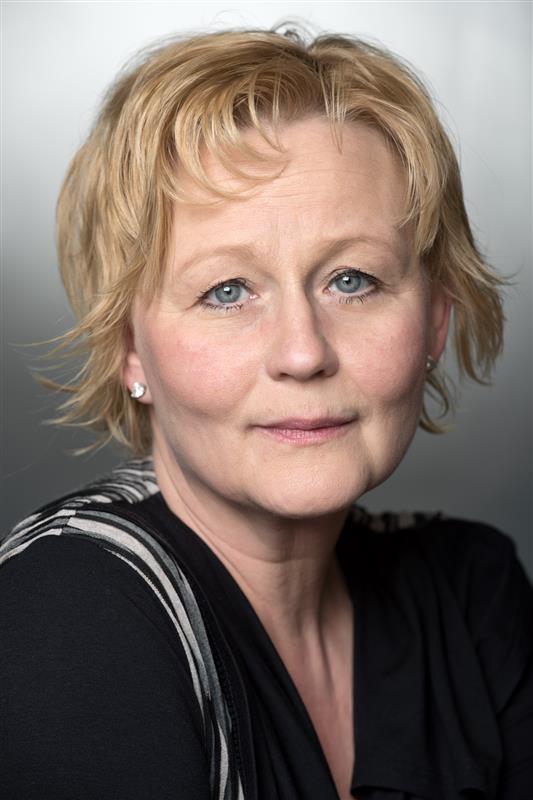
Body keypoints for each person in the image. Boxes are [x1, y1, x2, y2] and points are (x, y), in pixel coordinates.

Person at [1, 23, 531, 800]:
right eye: (227, 291)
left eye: (351, 280)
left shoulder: (469, 596)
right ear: (130, 352)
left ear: (435, 321)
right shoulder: (69, 614)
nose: (302, 352)